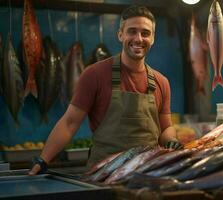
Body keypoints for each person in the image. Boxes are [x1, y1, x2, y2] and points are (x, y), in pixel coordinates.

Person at [29, 5, 182, 175]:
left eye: (145, 33)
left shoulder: (162, 82)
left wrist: (171, 140)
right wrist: (43, 159)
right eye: (132, 31)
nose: (138, 39)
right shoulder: (94, 74)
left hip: (148, 174)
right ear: (120, 34)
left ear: (152, 38)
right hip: (103, 175)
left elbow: (166, 128)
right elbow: (69, 123)